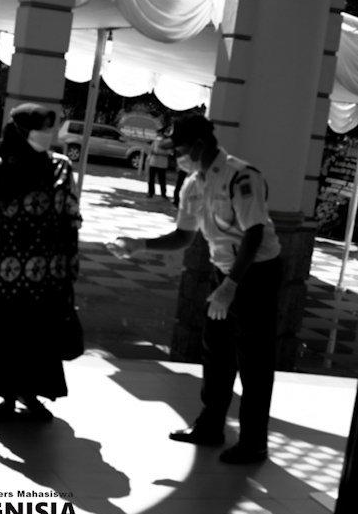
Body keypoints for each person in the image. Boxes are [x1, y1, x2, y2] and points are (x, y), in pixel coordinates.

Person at [108, 114, 282, 463]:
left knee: (254, 360)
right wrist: (140, 245)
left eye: (180, 150)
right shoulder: (193, 185)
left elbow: (254, 233)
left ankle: (254, 442)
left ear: (200, 146)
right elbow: (183, 237)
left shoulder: (241, 176)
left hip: (255, 274)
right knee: (216, 351)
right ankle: (210, 425)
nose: (177, 157)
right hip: (225, 272)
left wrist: (231, 285)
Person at [0, 104, 82, 421]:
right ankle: (7, 396)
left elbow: (71, 219)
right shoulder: (0, 170)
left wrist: (71, 266)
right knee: (6, 333)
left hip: (48, 272)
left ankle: (31, 392)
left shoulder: (61, 167)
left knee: (39, 334)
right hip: (7, 271)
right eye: (42, 128)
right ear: (22, 131)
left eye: (50, 128)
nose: (48, 134)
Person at [146, 135, 171, 199]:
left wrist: (158, 152)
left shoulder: (167, 143)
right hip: (153, 163)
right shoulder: (155, 142)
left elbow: (169, 152)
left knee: (162, 180)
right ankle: (151, 192)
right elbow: (151, 150)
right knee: (151, 179)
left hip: (162, 164)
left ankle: (163, 193)